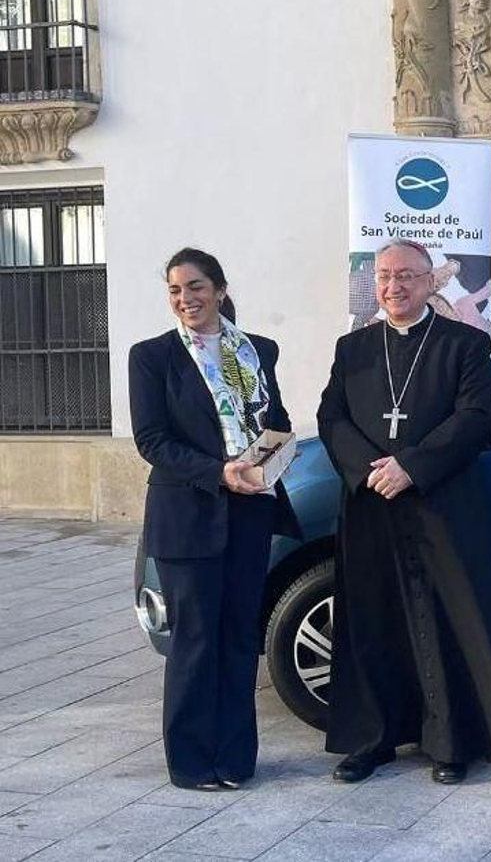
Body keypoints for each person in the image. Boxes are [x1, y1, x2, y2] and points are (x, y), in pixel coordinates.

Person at [316, 238, 491, 785]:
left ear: (431, 281)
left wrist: (411, 466)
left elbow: (475, 416)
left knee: (447, 618)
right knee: (372, 622)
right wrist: (370, 469)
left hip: (441, 503)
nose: (394, 286)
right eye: (385, 276)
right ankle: (372, 739)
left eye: (407, 275)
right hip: (371, 504)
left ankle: (450, 744)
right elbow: (331, 417)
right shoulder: (353, 349)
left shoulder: (464, 343)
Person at [129, 247, 300, 791]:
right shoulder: (152, 357)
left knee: (238, 637)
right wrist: (219, 472)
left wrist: (275, 455)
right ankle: (191, 762)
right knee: (196, 641)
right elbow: (152, 440)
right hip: (188, 514)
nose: (186, 299)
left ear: (220, 290)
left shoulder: (259, 351)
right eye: (175, 290)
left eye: (196, 287)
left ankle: (235, 758)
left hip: (250, 510)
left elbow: (276, 419)